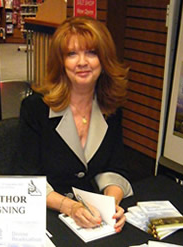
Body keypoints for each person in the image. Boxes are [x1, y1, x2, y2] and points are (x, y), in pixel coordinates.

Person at [17, 16, 133, 233]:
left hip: (94, 219)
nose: (82, 62)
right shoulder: (35, 108)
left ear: (104, 59)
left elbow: (115, 168)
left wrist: (111, 204)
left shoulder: (111, 108)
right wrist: (70, 207)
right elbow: (27, 180)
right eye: (72, 54)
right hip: (47, 215)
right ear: (61, 62)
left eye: (91, 52)